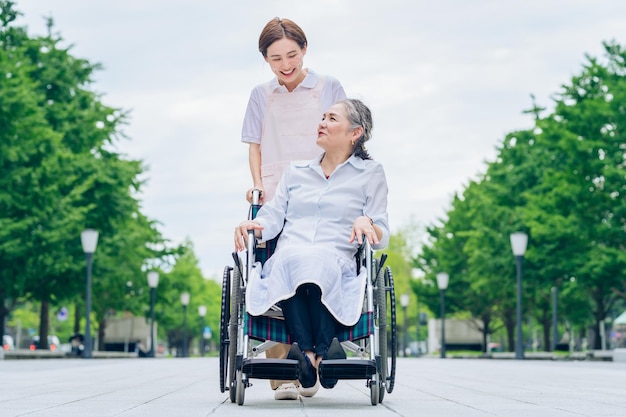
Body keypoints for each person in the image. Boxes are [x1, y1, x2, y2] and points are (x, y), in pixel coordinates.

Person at [234, 98, 389, 391]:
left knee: (316, 261)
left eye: (332, 119)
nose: (322, 123)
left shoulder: (370, 173)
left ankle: (307, 355)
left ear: (355, 133)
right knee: (295, 259)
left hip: (336, 259)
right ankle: (319, 353)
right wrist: (254, 225)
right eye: (322, 117)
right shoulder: (297, 171)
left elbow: (384, 232)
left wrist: (367, 223)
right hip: (290, 255)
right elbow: (273, 217)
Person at [240, 17, 347, 400]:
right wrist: (256, 185)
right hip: (274, 189)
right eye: (275, 58)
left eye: (291, 55)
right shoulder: (261, 95)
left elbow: (342, 134)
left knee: (317, 264)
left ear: (304, 50)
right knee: (277, 268)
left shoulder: (327, 87)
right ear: (265, 59)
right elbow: (254, 143)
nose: (285, 64)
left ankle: (313, 356)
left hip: (322, 188)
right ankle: (285, 373)